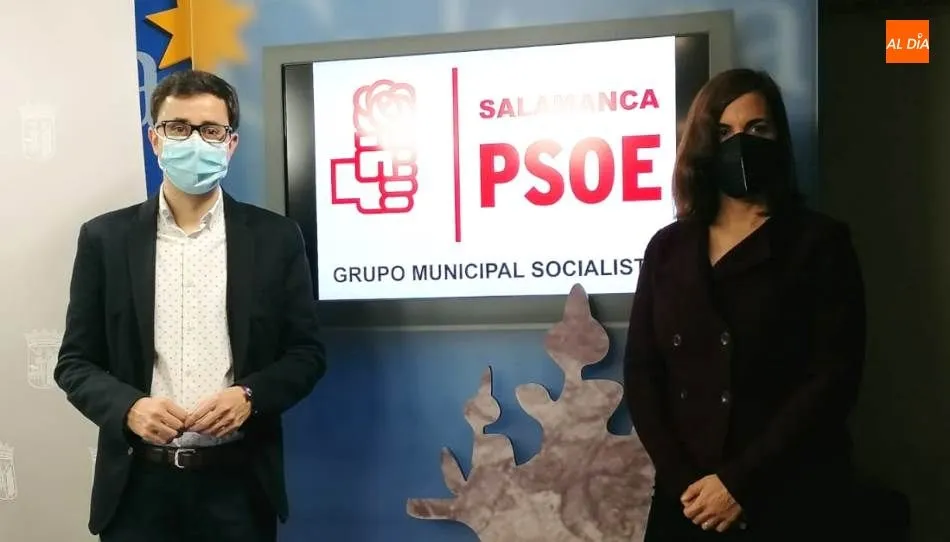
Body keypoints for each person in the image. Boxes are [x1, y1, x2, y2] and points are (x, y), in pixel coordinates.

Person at [55, 69, 326, 542]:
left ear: (231, 144)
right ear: (155, 139)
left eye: (210, 130)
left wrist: (250, 397)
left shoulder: (275, 238)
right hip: (137, 489)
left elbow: (306, 355)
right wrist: (129, 407)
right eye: (178, 128)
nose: (194, 141)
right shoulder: (105, 239)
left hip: (238, 487)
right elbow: (75, 363)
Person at [623, 68, 866, 541]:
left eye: (757, 129)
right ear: (702, 144)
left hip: (791, 495)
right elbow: (642, 373)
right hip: (688, 503)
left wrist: (738, 485)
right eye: (723, 132)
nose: (741, 144)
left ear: (778, 139)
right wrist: (687, 486)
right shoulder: (667, 248)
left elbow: (833, 378)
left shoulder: (819, 243)